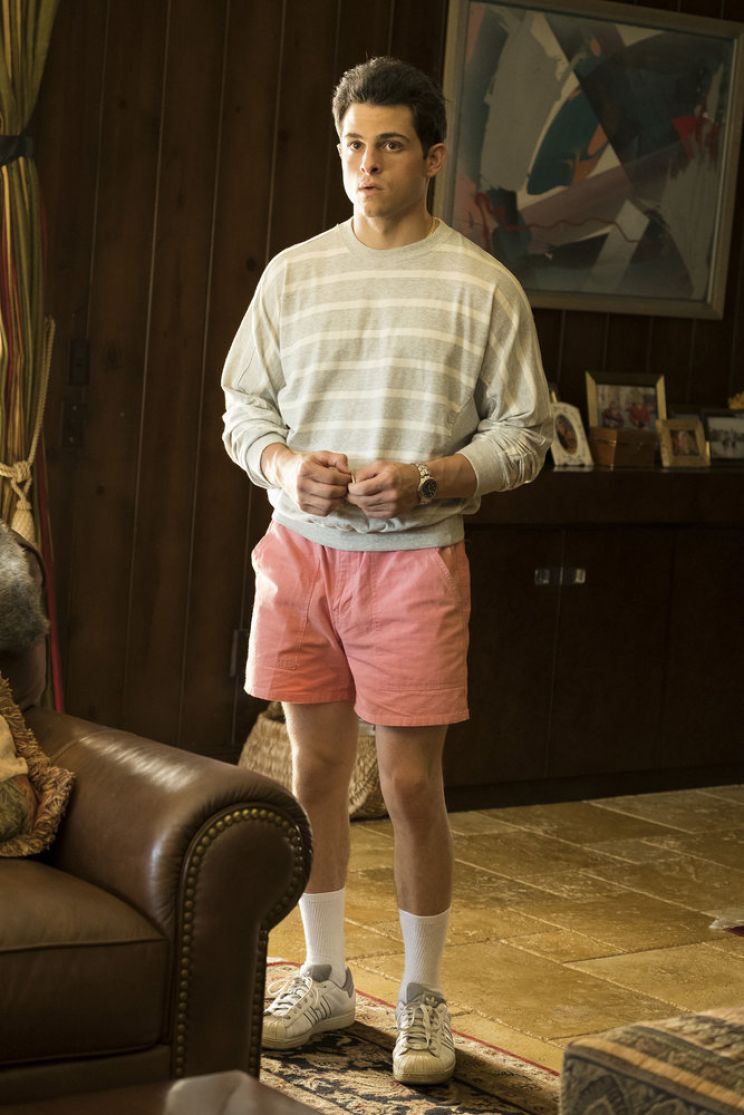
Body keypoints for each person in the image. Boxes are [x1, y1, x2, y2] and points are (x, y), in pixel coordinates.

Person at [221, 56, 552, 1086]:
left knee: (409, 784)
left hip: (414, 565)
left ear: (434, 156)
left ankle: (421, 992)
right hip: (299, 556)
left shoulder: (483, 284)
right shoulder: (293, 273)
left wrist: (436, 474)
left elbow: (527, 433)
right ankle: (323, 975)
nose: (367, 163)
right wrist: (285, 466)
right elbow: (245, 411)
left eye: (391, 145)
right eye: (353, 145)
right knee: (314, 773)